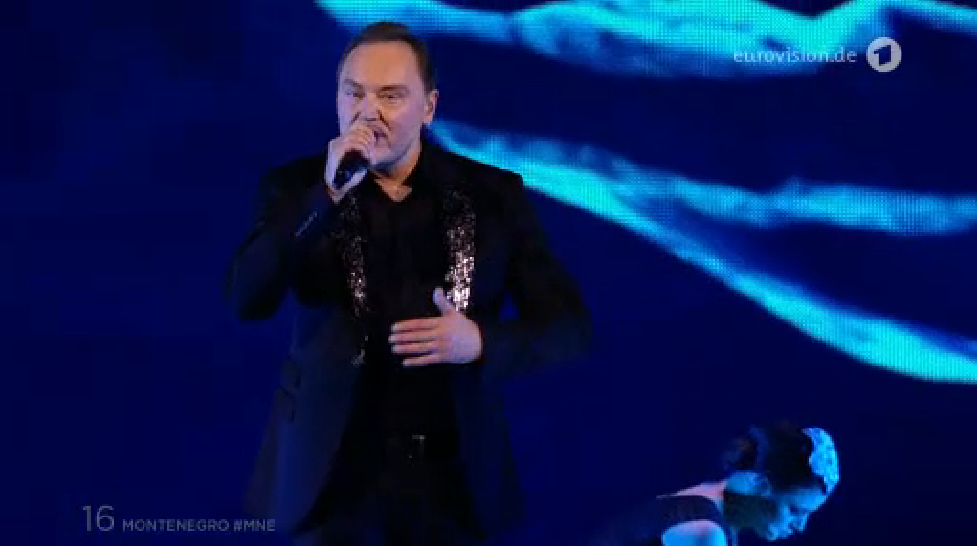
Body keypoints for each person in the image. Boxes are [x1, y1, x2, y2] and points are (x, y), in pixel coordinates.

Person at [223, 21, 593, 546]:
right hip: (329, 485)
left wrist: (480, 342)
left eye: (390, 96)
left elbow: (570, 327)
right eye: (353, 94)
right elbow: (245, 299)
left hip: (450, 484)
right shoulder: (295, 189)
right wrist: (325, 198)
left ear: (429, 107)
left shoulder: (492, 195)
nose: (367, 112)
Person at [588, 421, 840, 546]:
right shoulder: (707, 531)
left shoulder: (705, 503)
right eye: (795, 510)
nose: (801, 527)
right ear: (761, 485)